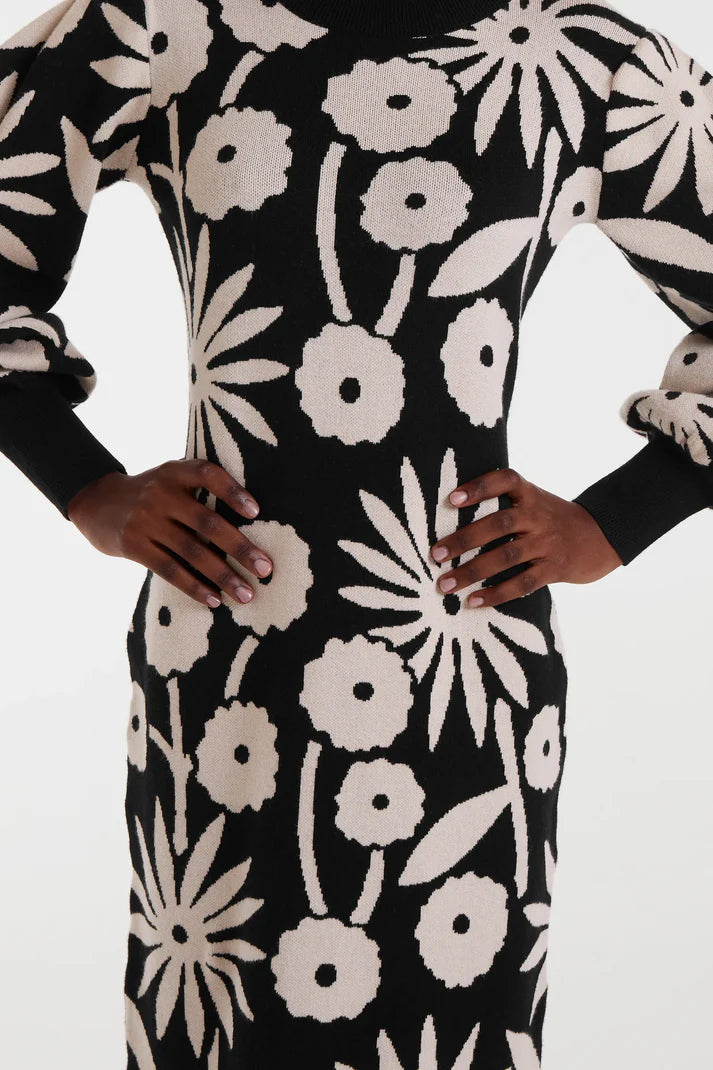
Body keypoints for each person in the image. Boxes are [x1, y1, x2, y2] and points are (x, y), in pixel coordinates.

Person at [0, 0, 712, 1066]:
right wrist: (83, 484)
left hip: (463, 678)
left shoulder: (573, 61)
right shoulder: (161, 23)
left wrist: (618, 517)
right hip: (227, 660)